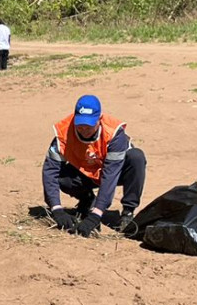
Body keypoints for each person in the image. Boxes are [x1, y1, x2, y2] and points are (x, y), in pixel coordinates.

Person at [43, 94, 147, 238]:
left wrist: (96, 214)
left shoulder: (114, 134)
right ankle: (87, 199)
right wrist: (56, 209)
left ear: (99, 119)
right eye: (80, 125)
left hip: (113, 172)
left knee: (136, 157)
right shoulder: (63, 134)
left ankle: (128, 212)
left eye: (89, 126)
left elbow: (110, 176)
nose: (84, 130)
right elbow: (50, 171)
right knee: (62, 177)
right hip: (85, 173)